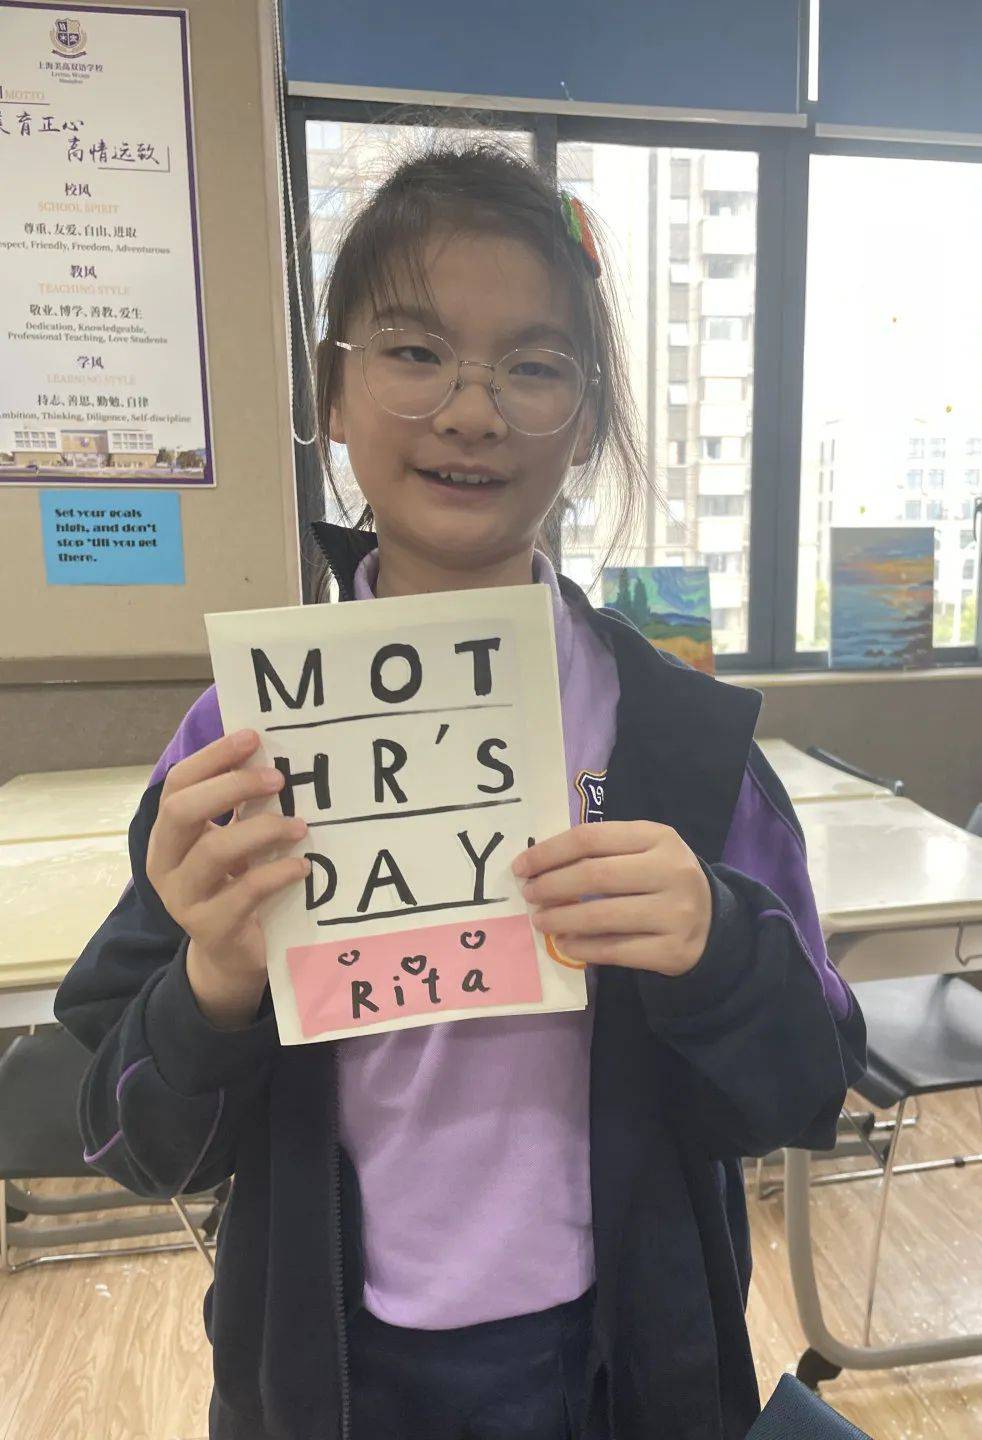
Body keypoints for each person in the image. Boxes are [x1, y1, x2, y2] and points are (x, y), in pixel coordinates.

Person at [55, 137, 866, 1440]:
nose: (473, 411)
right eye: (413, 351)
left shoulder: (680, 740)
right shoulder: (235, 746)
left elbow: (809, 1087)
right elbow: (133, 1138)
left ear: (587, 422)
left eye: (533, 366)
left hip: (626, 1377)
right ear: (332, 392)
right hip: (328, 1382)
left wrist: (717, 946)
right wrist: (212, 983)